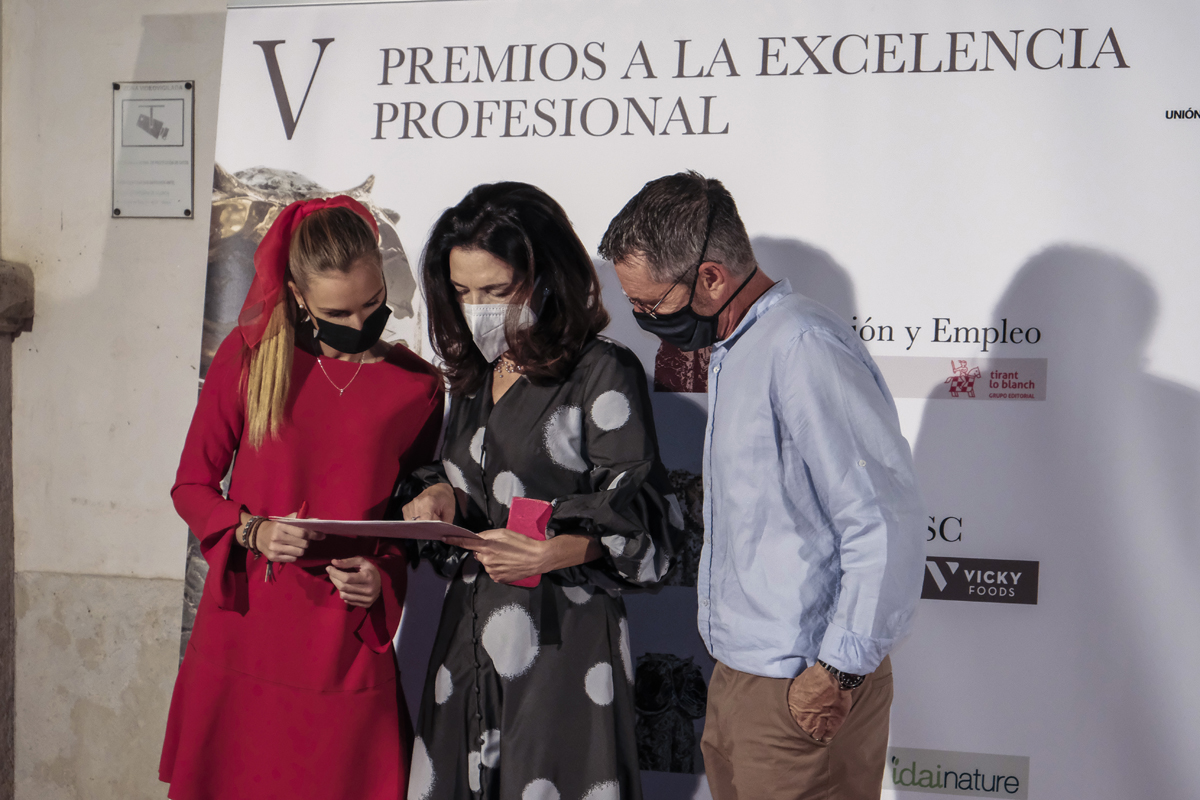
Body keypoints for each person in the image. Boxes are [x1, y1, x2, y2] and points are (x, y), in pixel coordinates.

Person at [599, 172, 925, 800]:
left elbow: (883, 519)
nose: (643, 320)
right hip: (742, 678)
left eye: (652, 306)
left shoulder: (802, 346)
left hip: (803, 686)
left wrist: (837, 672)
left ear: (711, 278)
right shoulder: (741, 347)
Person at [398, 182, 678, 800]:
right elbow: (474, 478)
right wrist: (440, 496)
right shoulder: (474, 375)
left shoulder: (602, 370)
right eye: (463, 291)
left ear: (545, 276)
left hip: (562, 639)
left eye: (496, 290)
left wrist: (553, 550)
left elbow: (641, 512)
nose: (477, 308)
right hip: (467, 634)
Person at [160, 197, 444, 800]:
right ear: (297, 294)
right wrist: (252, 530)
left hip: (344, 638)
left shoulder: (418, 386)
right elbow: (191, 487)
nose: (360, 320)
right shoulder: (250, 359)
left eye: (372, 302)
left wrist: (382, 577)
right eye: (337, 311)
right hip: (246, 629)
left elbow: (409, 522)